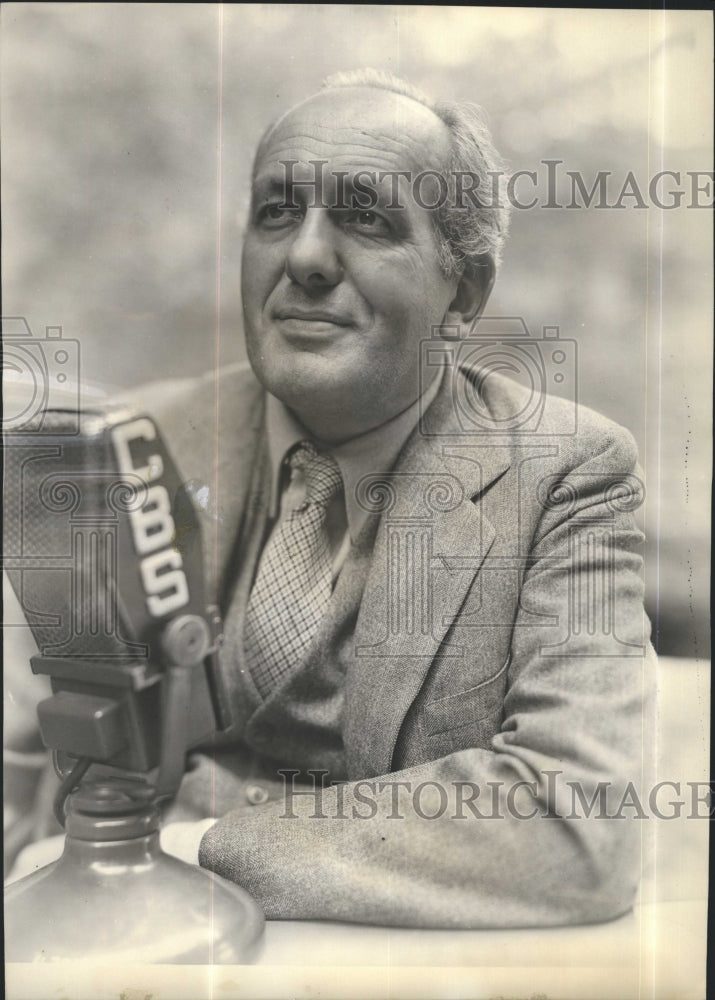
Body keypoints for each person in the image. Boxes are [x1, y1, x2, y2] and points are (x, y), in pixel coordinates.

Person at [5, 69, 655, 928]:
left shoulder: (563, 473)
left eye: (365, 216)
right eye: (276, 211)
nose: (305, 258)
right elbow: (27, 740)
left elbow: (579, 827)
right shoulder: (142, 440)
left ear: (463, 294)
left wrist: (191, 848)